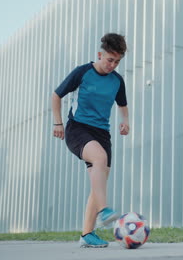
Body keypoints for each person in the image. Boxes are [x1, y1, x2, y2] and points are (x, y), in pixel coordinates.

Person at [51, 33, 130, 248]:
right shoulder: (82, 72)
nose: (112, 65)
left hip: (102, 134)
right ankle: (104, 211)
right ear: (99, 54)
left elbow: (122, 105)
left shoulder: (117, 81)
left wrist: (125, 121)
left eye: (117, 61)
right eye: (109, 60)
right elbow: (56, 95)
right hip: (78, 129)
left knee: (99, 181)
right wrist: (58, 123)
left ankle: (87, 234)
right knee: (99, 158)